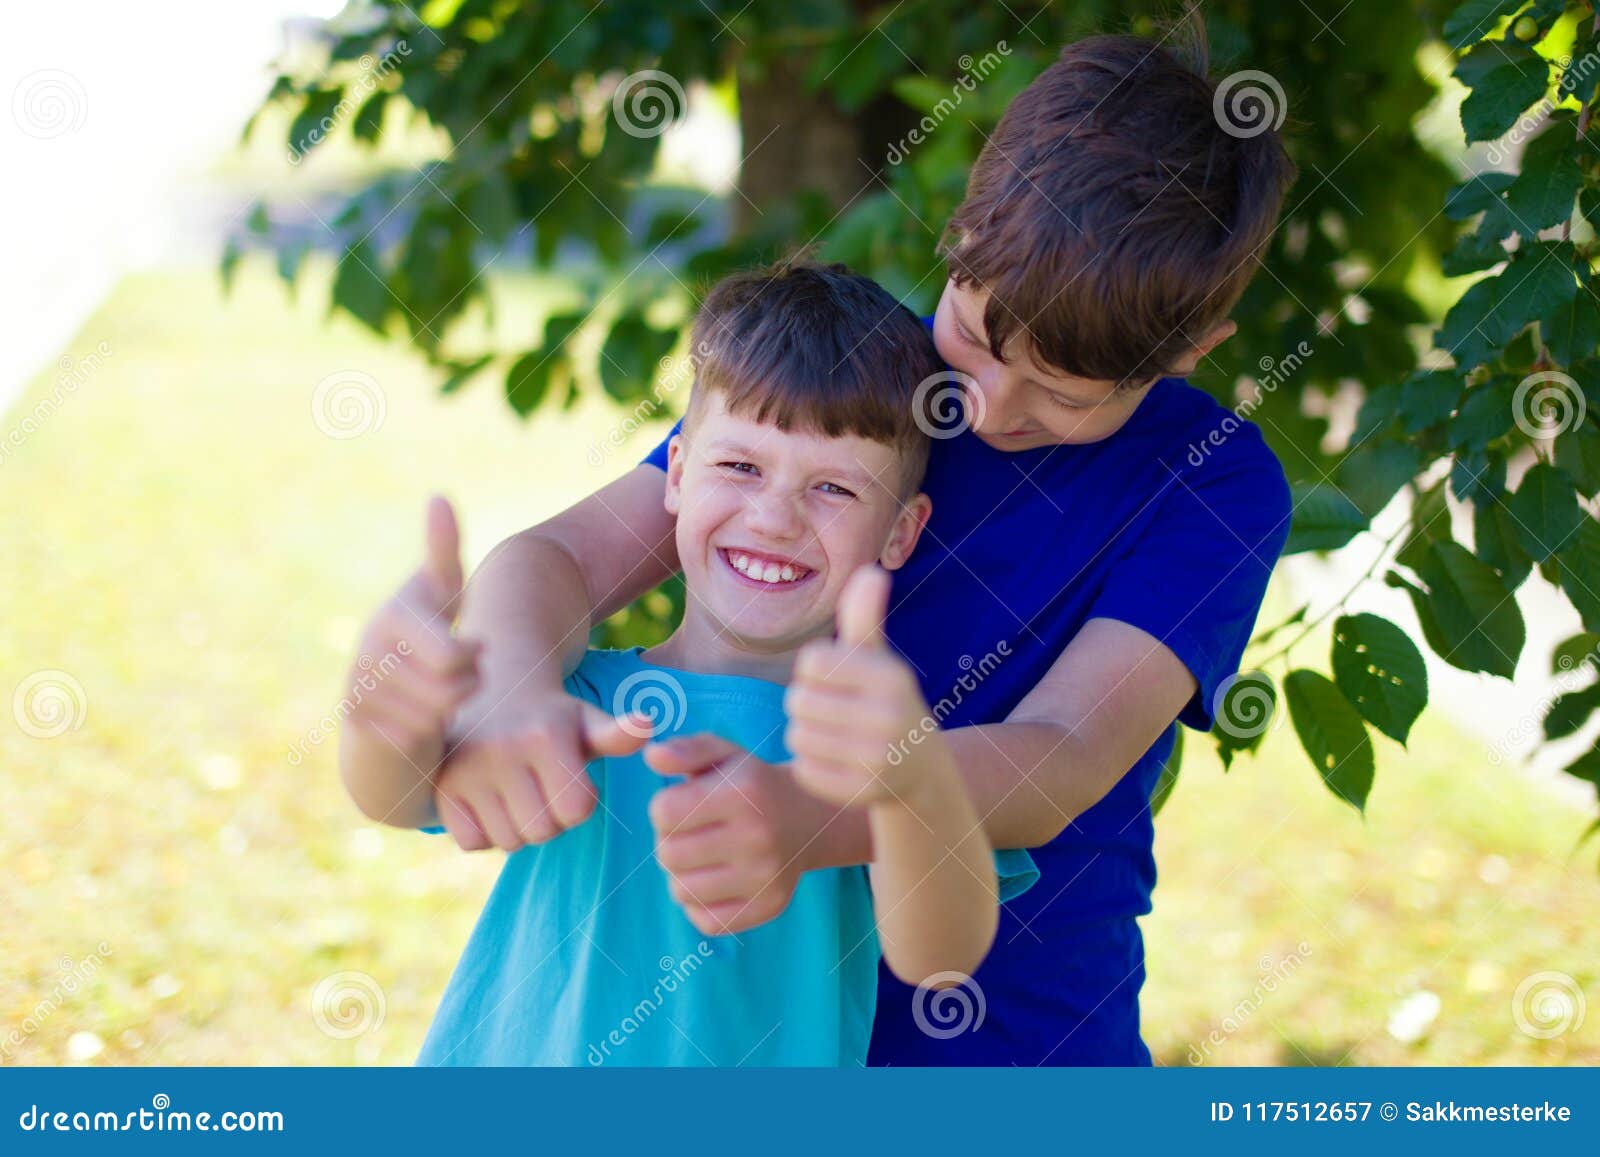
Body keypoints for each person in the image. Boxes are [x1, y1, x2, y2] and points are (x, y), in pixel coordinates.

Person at [339, 262, 1037, 1065]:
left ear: (901, 534)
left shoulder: (865, 739)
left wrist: (913, 786)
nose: (773, 517)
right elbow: (394, 796)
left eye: (836, 490)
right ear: (675, 473)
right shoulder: (572, 696)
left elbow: (941, 954)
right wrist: (380, 715)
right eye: (740, 467)